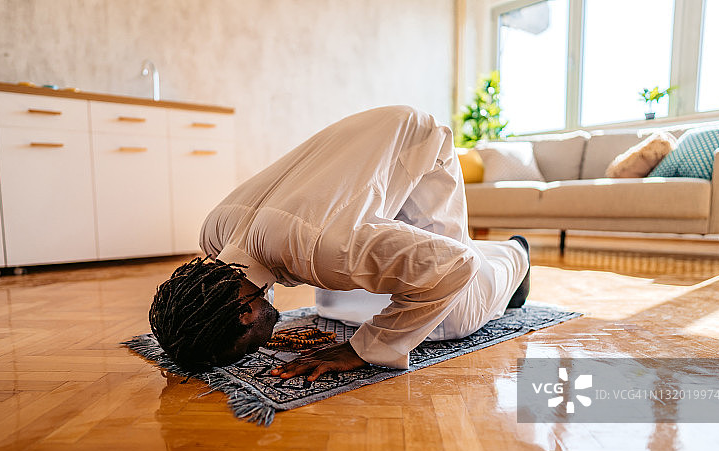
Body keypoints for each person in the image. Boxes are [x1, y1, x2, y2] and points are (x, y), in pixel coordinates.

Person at [149, 106, 529, 381]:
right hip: (364, 137)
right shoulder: (213, 232)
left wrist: (361, 349)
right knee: (334, 302)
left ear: (243, 314)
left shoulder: (328, 251)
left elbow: (455, 264)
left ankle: (515, 255)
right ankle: (495, 257)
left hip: (417, 147)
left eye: (247, 348)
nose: (258, 351)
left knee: (449, 317)